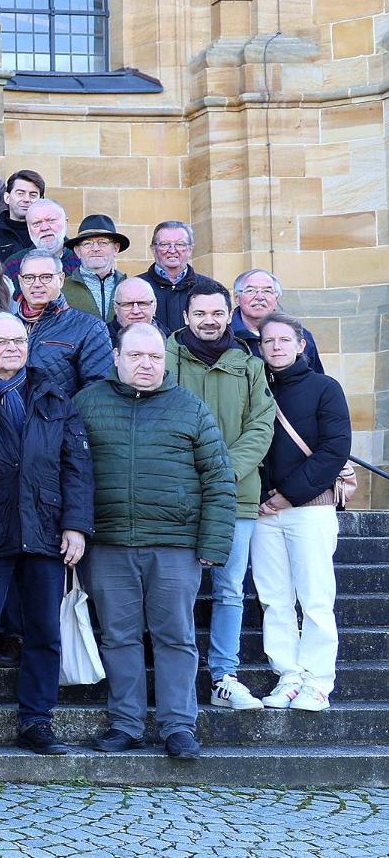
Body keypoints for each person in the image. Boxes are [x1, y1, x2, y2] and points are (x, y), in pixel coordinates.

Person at [75, 324, 236, 760]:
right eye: (136, 356)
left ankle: (178, 726)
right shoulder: (87, 403)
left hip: (175, 545)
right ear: (116, 357)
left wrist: (214, 545)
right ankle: (125, 723)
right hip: (107, 544)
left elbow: (220, 479)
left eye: (155, 357)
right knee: (118, 637)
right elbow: (67, 471)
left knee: (176, 638)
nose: (146, 364)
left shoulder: (190, 408)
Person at [0, 315, 90, 756]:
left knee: (45, 631)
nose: (12, 347)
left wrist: (77, 525)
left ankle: (37, 721)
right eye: (1, 341)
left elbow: (77, 466)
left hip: (45, 530)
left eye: (19, 340)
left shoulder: (53, 394)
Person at [167, 288, 277, 710]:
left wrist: (225, 470)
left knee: (231, 588)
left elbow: (261, 425)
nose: (209, 320)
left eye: (217, 312)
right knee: (178, 589)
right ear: (186, 314)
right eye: (201, 312)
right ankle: (177, 675)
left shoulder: (249, 365)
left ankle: (223, 676)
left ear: (229, 314)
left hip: (236, 495)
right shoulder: (167, 357)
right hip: (179, 493)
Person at [256, 313, 348, 712]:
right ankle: (288, 676)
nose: (276, 347)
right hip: (263, 513)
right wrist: (263, 497)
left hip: (309, 509)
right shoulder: (256, 387)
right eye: (268, 341)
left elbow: (334, 450)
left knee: (314, 598)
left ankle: (317, 681)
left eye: (283, 340)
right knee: (274, 599)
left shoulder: (325, 388)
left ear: (300, 345)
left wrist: (288, 495)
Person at [16, 248, 114, 394]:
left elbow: (97, 390)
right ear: (20, 281)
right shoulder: (6, 325)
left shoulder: (90, 328)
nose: (36, 284)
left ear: (61, 279)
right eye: (29, 277)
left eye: (46, 277)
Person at [231, 269, 324, 371]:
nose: (260, 297)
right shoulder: (226, 336)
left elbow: (315, 380)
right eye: (250, 290)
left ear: (276, 299)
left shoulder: (300, 335)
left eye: (267, 291)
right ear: (236, 298)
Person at [142, 221, 224, 334]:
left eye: (180, 244)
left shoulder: (212, 288)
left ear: (190, 249)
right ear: (153, 249)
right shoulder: (136, 287)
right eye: (164, 244)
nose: (172, 250)